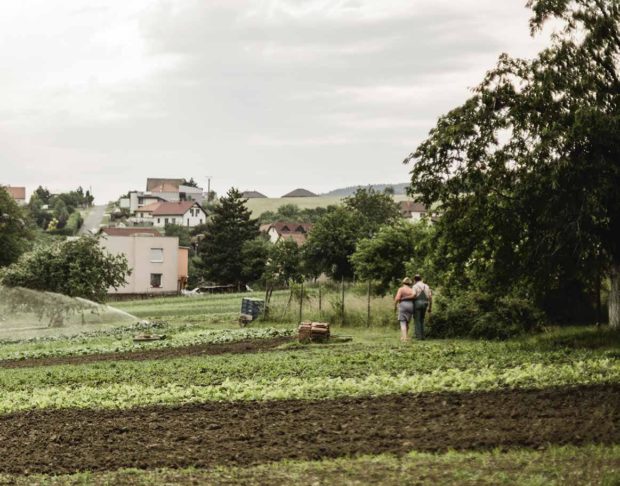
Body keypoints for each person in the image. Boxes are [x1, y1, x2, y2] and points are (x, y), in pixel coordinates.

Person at [411, 274, 432, 340]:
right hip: (425, 303)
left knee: (417, 320)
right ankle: (423, 336)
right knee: (422, 320)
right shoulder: (426, 286)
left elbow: (414, 295)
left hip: (417, 303)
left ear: (414, 280)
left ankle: (418, 336)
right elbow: (430, 297)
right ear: (421, 279)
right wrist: (430, 307)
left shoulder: (415, 286)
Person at [394, 277, 415, 341]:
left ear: (403, 283)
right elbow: (414, 296)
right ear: (410, 284)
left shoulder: (401, 289)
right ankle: (405, 336)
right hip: (411, 306)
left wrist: (395, 306)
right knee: (407, 322)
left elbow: (397, 298)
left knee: (403, 322)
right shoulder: (412, 290)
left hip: (403, 305)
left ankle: (404, 338)